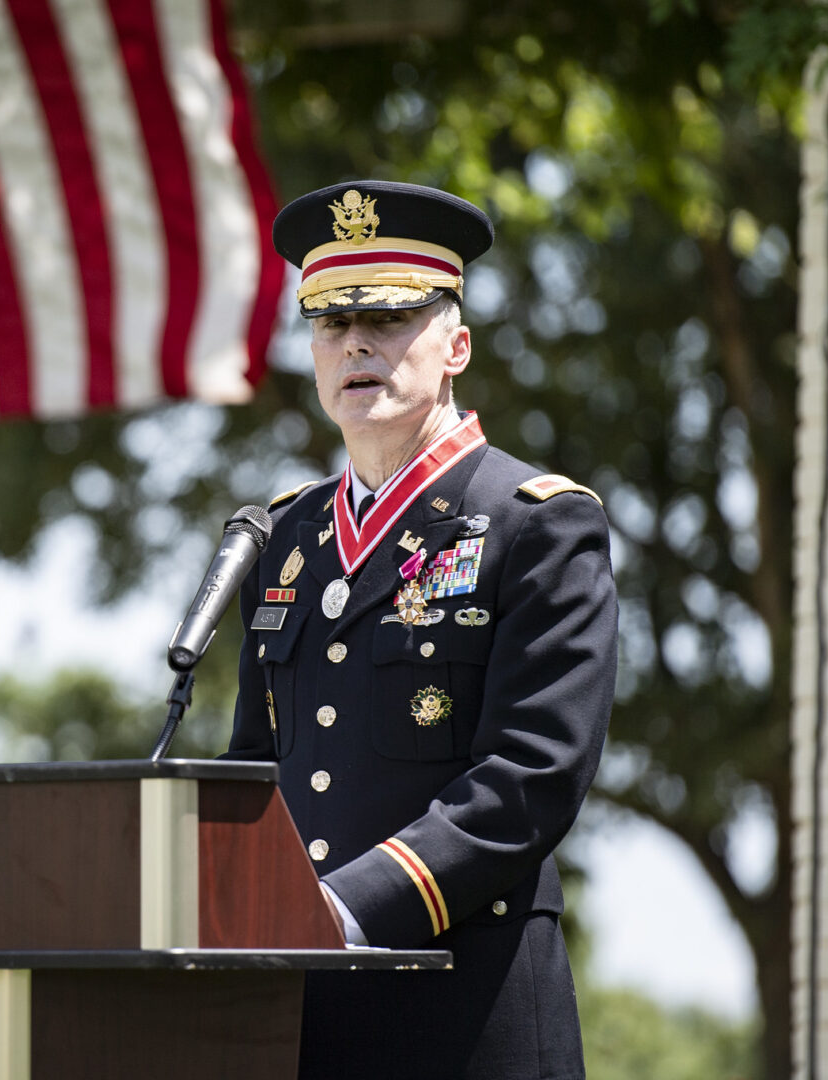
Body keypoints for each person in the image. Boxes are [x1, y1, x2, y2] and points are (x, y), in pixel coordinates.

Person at [223, 180, 618, 1078]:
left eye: (391, 315)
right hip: (294, 1016)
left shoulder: (536, 523)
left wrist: (347, 910)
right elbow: (253, 772)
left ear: (457, 346)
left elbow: (532, 776)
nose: (357, 342)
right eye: (330, 323)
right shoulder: (283, 538)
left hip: (465, 1014)